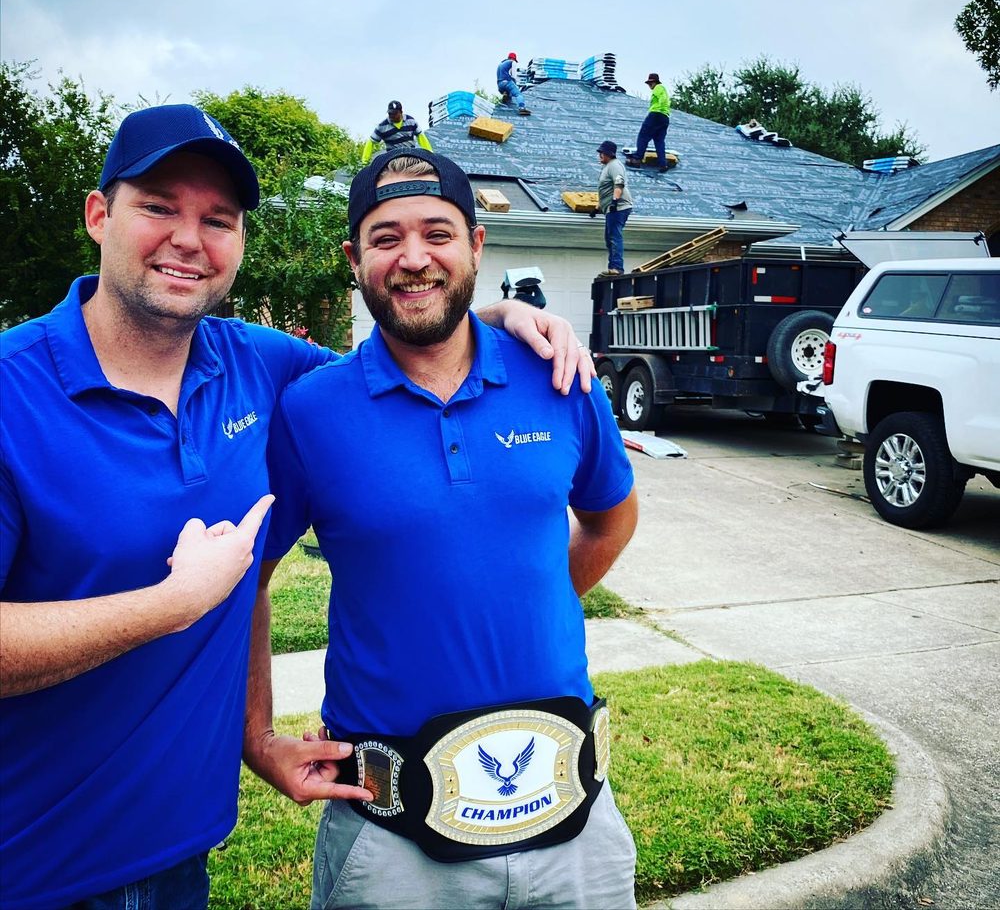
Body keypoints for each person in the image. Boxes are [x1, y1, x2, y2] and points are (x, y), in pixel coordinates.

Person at [0, 105, 595, 910]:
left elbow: (403, 349)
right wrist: (172, 604)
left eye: (217, 219)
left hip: (179, 852)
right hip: (30, 863)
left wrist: (497, 318)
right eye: (158, 207)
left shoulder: (258, 365)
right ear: (99, 215)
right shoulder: (12, 390)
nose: (189, 238)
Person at [244, 148, 640, 910]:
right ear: (354, 259)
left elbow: (610, 518)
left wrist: (527, 602)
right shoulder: (312, 410)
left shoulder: (558, 375)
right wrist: (256, 739)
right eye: (386, 238)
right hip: (394, 847)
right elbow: (248, 579)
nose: (414, 258)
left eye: (438, 233)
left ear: (477, 246)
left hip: (576, 825)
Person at [595, 140, 633, 277]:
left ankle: (617, 268)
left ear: (608, 154)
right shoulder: (607, 167)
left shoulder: (614, 165)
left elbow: (619, 183)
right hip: (612, 208)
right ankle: (613, 267)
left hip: (619, 207)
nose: (600, 155)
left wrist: (615, 201)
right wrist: (598, 207)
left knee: (614, 237)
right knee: (609, 238)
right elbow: (606, 189)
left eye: (602, 153)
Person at [360, 100, 434, 164]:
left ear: (401, 112)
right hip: (393, 160)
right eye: (390, 113)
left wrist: (430, 153)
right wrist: (365, 161)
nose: (392, 116)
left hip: (410, 156)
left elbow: (421, 137)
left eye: (395, 113)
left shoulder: (411, 121)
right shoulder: (382, 126)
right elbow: (371, 141)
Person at [626, 72, 671, 172]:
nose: (650, 85)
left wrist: (658, 107)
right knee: (659, 141)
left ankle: (637, 158)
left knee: (643, 136)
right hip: (665, 118)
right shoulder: (661, 89)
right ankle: (663, 164)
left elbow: (662, 99)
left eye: (651, 83)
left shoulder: (659, 88)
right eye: (648, 83)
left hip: (656, 114)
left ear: (655, 82)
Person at [496, 51, 531, 116]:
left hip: (500, 85)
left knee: (508, 93)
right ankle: (522, 108)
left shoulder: (500, 64)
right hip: (507, 82)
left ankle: (505, 95)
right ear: (514, 58)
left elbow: (498, 76)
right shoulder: (512, 62)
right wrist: (515, 84)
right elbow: (514, 75)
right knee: (518, 94)